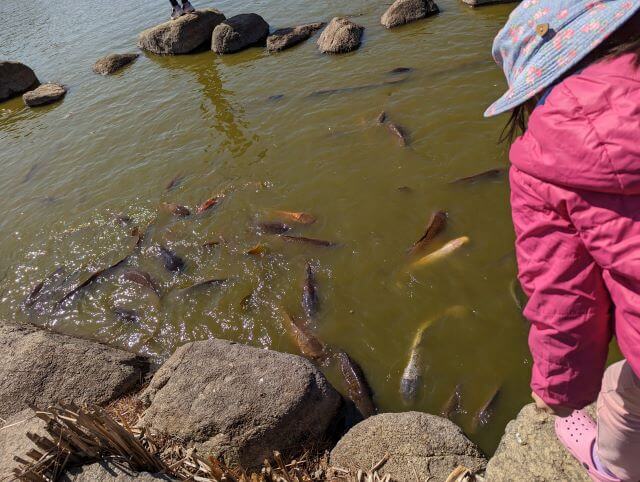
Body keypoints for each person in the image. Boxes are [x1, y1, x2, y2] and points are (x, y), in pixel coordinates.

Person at [485, 1, 640, 481]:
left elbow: (563, 299)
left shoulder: (541, 161)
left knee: (623, 390)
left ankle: (611, 467)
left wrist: (558, 391)